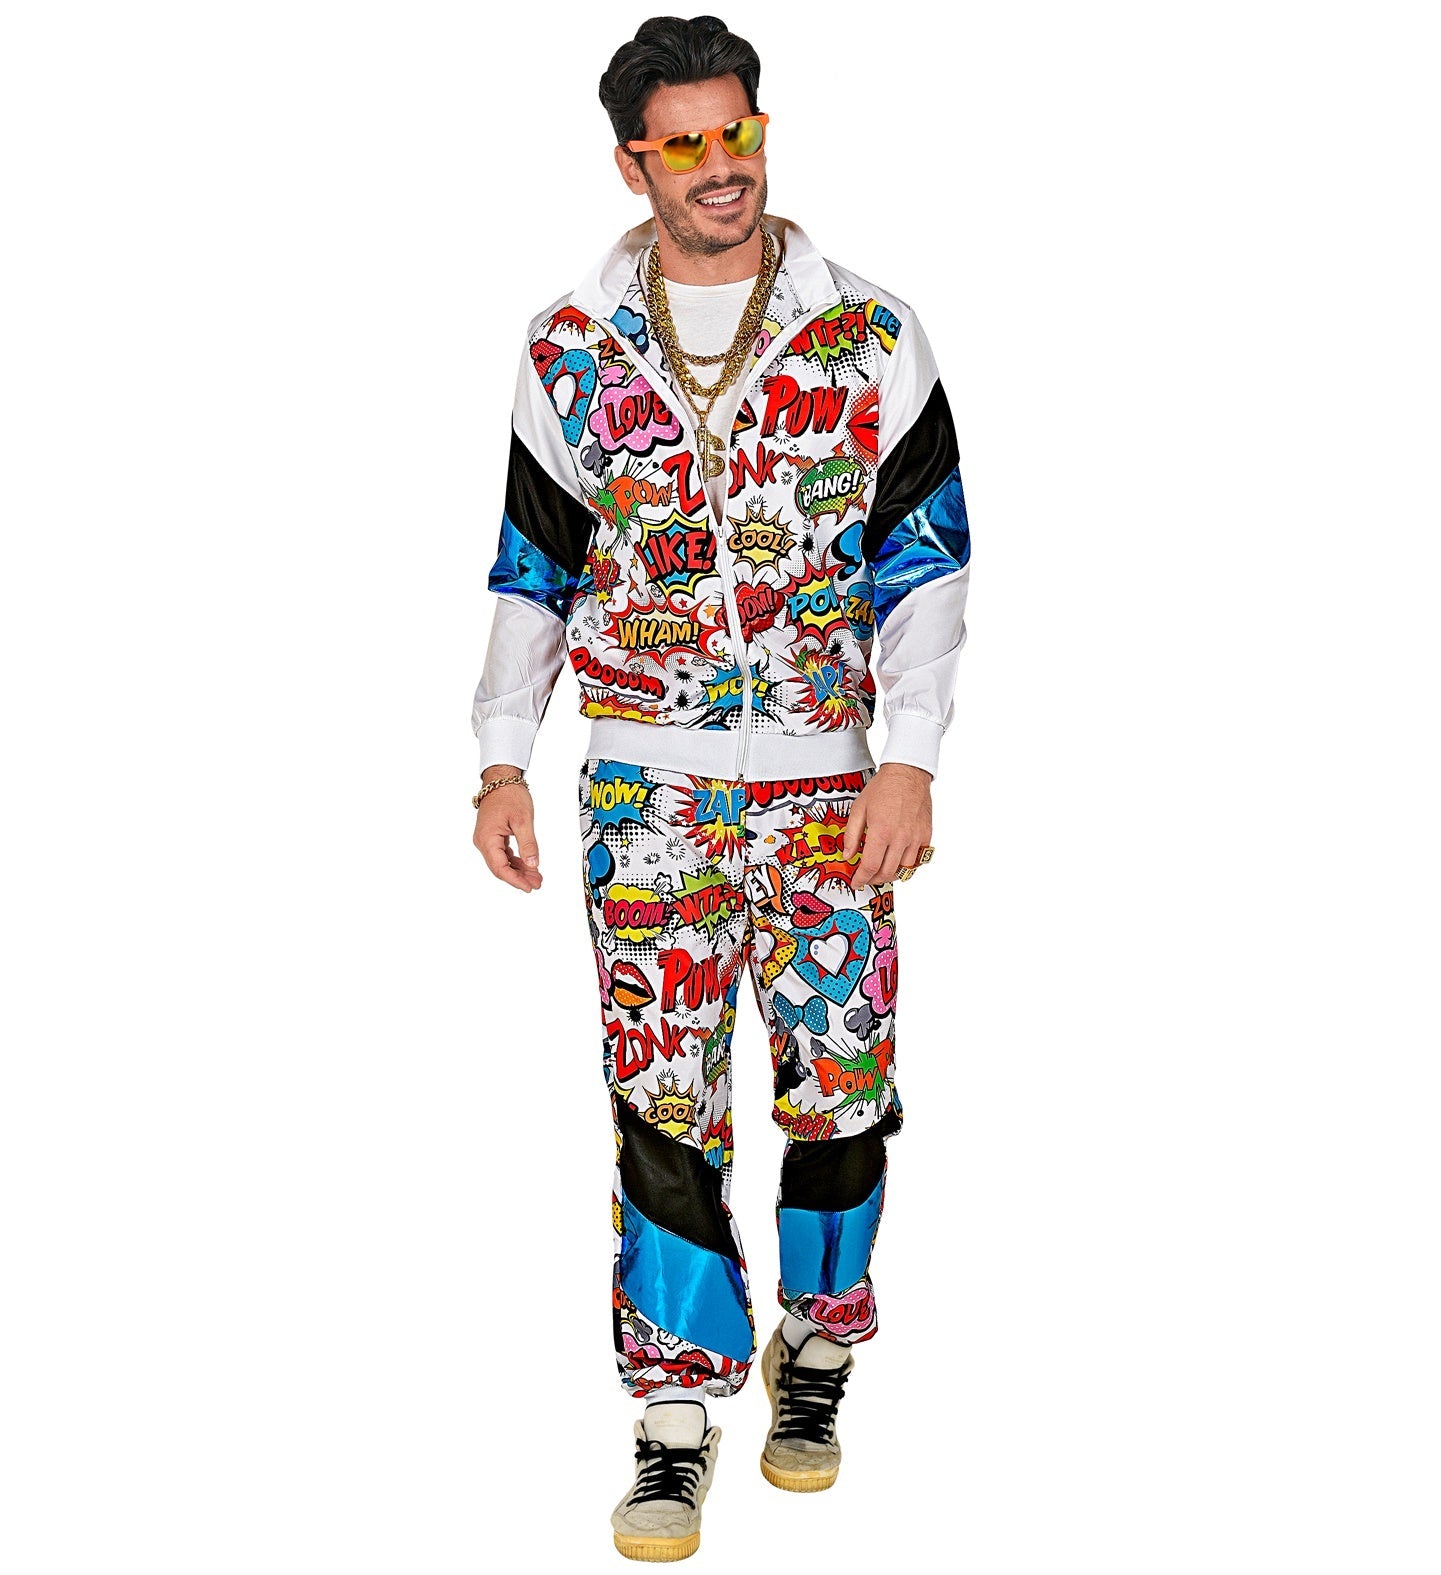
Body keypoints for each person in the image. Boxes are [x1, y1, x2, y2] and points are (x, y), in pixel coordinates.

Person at [470, 15, 972, 1561]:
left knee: (840, 1084)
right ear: (633, 160)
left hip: (828, 794)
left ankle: (815, 1351)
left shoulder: (867, 333)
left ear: (761, 132)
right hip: (646, 794)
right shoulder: (569, 345)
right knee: (659, 1098)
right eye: (682, 143)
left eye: (734, 132)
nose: (718, 166)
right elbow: (533, 562)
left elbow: (926, 559)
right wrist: (499, 753)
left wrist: (907, 755)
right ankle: (675, 1413)